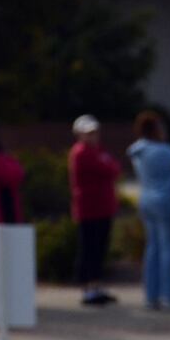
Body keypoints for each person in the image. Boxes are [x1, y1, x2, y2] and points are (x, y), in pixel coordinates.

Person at [128, 111, 170, 312]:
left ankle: (151, 295)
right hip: (168, 202)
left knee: (153, 249)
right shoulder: (162, 151)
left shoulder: (138, 152)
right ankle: (168, 297)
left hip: (147, 200)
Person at [67, 114, 123, 305]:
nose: (93, 136)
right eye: (88, 133)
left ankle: (97, 285)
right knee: (89, 249)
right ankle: (87, 288)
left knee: (100, 249)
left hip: (104, 207)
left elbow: (115, 168)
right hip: (89, 208)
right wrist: (108, 166)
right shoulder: (81, 153)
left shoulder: (98, 150)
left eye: (94, 132)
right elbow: (108, 169)